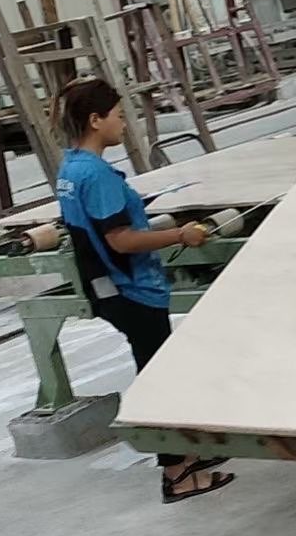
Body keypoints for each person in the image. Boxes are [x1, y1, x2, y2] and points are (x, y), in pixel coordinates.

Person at [52, 76, 235, 503]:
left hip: (106, 286)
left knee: (163, 369)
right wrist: (180, 235)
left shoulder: (71, 168)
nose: (124, 123)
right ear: (95, 120)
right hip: (131, 288)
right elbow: (121, 240)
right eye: (119, 116)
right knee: (159, 378)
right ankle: (177, 473)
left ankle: (188, 453)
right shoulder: (96, 174)